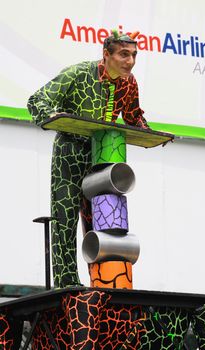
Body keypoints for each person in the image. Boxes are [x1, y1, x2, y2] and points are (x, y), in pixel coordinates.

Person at [27, 30, 150, 289]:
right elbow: (37, 101)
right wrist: (53, 115)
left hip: (102, 160)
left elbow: (133, 116)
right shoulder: (78, 73)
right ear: (106, 54)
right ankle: (66, 283)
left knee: (105, 223)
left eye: (134, 55)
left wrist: (147, 131)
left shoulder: (129, 83)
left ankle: (104, 282)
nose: (130, 61)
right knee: (65, 220)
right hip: (70, 155)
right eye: (124, 54)